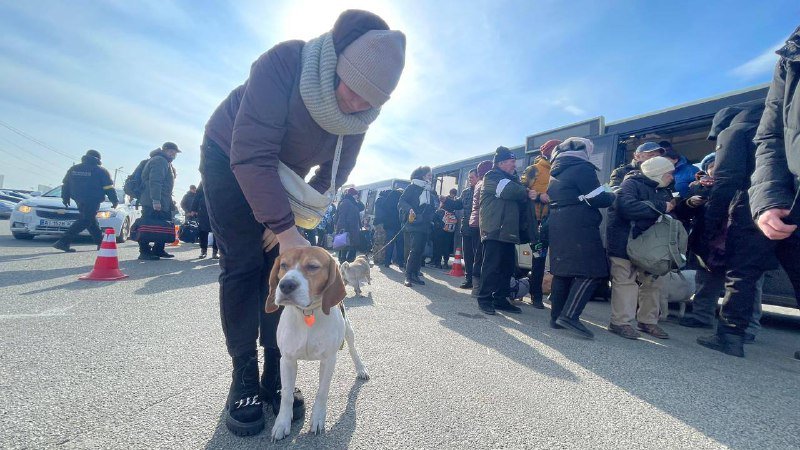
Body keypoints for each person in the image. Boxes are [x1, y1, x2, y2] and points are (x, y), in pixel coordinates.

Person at [199, 9, 405, 436]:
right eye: (353, 89)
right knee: (243, 263)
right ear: (337, 64)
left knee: (280, 270)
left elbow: (332, 175)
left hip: (282, 178)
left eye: (372, 101)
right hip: (231, 154)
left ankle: (277, 367)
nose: (358, 104)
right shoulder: (285, 63)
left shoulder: (358, 119)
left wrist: (289, 220)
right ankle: (244, 376)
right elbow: (250, 155)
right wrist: (282, 226)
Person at [698, 26, 800, 356]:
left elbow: (726, 179)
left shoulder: (734, 131)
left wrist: (711, 223)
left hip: (756, 201)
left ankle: (730, 336)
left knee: (742, 272)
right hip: (791, 194)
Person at [681, 105, 766, 342]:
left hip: (733, 224)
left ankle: (739, 328)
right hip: (753, 220)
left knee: (740, 276)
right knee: (736, 276)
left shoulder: (735, 137)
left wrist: (710, 222)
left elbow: (726, 185)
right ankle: (727, 322)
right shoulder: (768, 137)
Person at [546, 138, 615, 338]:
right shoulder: (582, 167)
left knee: (563, 271)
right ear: (585, 151)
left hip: (558, 222)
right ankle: (570, 316)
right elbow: (598, 198)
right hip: (579, 224)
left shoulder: (556, 171)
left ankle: (556, 317)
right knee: (593, 271)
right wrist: (612, 193)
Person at [606, 155, 675, 340]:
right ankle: (620, 322)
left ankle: (648, 321)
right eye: (669, 173)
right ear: (658, 173)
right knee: (625, 282)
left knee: (653, 283)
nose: (672, 177)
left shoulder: (664, 190)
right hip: (625, 242)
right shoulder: (630, 183)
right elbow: (626, 207)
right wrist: (661, 206)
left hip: (652, 247)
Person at [476, 146, 532, 315]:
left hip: (508, 231)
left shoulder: (512, 180)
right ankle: (484, 299)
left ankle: (500, 299)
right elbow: (508, 190)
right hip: (494, 229)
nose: (515, 165)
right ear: (501, 163)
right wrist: (527, 192)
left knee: (507, 268)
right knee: (491, 266)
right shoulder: (491, 176)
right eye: (512, 161)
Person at [53, 150, 119, 252]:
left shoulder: (74, 169)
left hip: (78, 198)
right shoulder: (100, 170)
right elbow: (108, 187)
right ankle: (63, 242)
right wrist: (114, 200)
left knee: (91, 220)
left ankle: (101, 243)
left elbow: (66, 184)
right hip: (93, 199)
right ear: (98, 159)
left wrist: (65, 197)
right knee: (86, 220)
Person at [520, 139, 560, 308]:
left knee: (557, 260)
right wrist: (538, 196)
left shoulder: (560, 169)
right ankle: (535, 295)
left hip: (556, 222)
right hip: (538, 223)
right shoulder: (533, 169)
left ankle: (555, 294)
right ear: (549, 152)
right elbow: (520, 190)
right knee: (539, 259)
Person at [137, 142, 180, 261]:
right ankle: (144, 251)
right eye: (171, 151)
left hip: (162, 200)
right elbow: (155, 181)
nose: (173, 154)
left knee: (162, 225)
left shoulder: (166, 162)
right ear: (164, 150)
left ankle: (158, 249)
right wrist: (156, 200)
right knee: (147, 225)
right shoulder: (159, 160)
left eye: (175, 152)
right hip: (152, 200)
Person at [399, 166, 437, 287]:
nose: (431, 177)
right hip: (414, 222)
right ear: (422, 175)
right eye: (429, 175)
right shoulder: (412, 187)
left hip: (425, 223)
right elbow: (401, 201)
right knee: (415, 249)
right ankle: (408, 276)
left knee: (420, 250)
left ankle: (415, 275)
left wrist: (432, 215)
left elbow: (431, 207)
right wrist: (410, 209)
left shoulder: (428, 190)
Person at [468, 160, 493, 292]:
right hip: (481, 223)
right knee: (480, 257)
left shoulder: (479, 184)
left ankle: (476, 286)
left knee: (478, 255)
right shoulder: (484, 183)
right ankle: (477, 287)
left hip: (476, 222)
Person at [459, 169, 478, 288]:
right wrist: (446, 201)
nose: (469, 180)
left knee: (478, 256)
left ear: (478, 177)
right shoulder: (465, 192)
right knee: (467, 255)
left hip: (478, 229)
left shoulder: (483, 189)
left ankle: (477, 281)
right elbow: (458, 204)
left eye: (471, 177)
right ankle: (469, 279)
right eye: (469, 177)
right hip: (466, 228)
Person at [375, 188, 403, 268]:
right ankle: (400, 262)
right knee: (400, 244)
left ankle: (387, 262)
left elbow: (384, 210)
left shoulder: (388, 200)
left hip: (389, 225)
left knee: (389, 243)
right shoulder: (401, 199)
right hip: (399, 225)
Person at [190, 183, 218, 259]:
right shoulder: (204, 179)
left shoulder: (222, 178)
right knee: (203, 230)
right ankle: (203, 251)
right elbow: (198, 194)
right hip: (204, 208)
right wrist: (193, 209)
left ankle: (215, 252)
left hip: (218, 207)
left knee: (217, 231)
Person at [335, 187, 362, 263]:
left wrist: (358, 200)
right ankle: (343, 260)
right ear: (352, 194)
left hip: (352, 227)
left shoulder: (353, 202)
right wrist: (342, 227)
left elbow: (362, 207)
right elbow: (342, 215)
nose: (357, 196)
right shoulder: (346, 202)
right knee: (344, 244)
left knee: (350, 244)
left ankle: (348, 260)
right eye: (356, 194)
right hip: (347, 226)